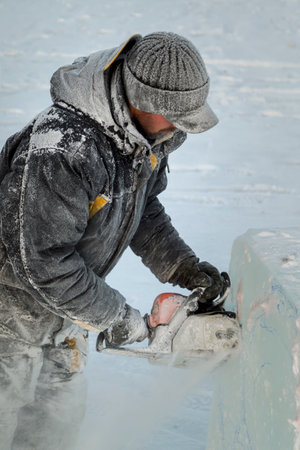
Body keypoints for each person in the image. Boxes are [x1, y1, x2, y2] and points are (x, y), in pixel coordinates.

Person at [0, 32, 228, 449]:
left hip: (68, 311)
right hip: (8, 315)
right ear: (142, 101)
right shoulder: (64, 149)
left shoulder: (145, 138)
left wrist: (181, 265)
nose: (179, 126)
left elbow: (141, 209)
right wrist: (115, 316)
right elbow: (44, 262)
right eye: (174, 114)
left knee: (53, 430)